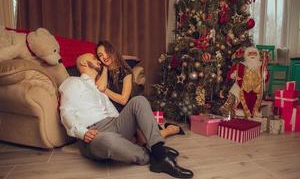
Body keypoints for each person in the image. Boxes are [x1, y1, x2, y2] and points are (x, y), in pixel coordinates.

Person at [59, 53, 193, 178]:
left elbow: (115, 115)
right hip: (94, 133)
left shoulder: (100, 89)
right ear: (83, 62)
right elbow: (66, 112)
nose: (98, 60)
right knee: (108, 140)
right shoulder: (73, 82)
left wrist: (132, 129)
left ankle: (159, 152)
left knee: (138, 101)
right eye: (94, 58)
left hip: (113, 123)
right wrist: (82, 133)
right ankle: (151, 155)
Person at [95, 40, 184, 138]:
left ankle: (171, 129)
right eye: (100, 55)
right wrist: (104, 68)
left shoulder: (125, 72)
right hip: (112, 116)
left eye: (106, 52)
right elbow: (99, 86)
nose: (104, 56)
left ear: (112, 51)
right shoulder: (102, 72)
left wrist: (105, 90)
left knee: (146, 140)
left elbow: (123, 100)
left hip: (128, 113)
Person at [220, 47, 268, 118]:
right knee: (241, 107)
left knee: (254, 104)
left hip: (256, 91)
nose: (252, 56)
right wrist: (233, 75)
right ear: (246, 55)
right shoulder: (240, 65)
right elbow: (230, 74)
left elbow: (265, 79)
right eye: (250, 54)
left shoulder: (261, 66)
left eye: (254, 54)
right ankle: (241, 118)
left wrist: (265, 75)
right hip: (243, 90)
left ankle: (254, 116)